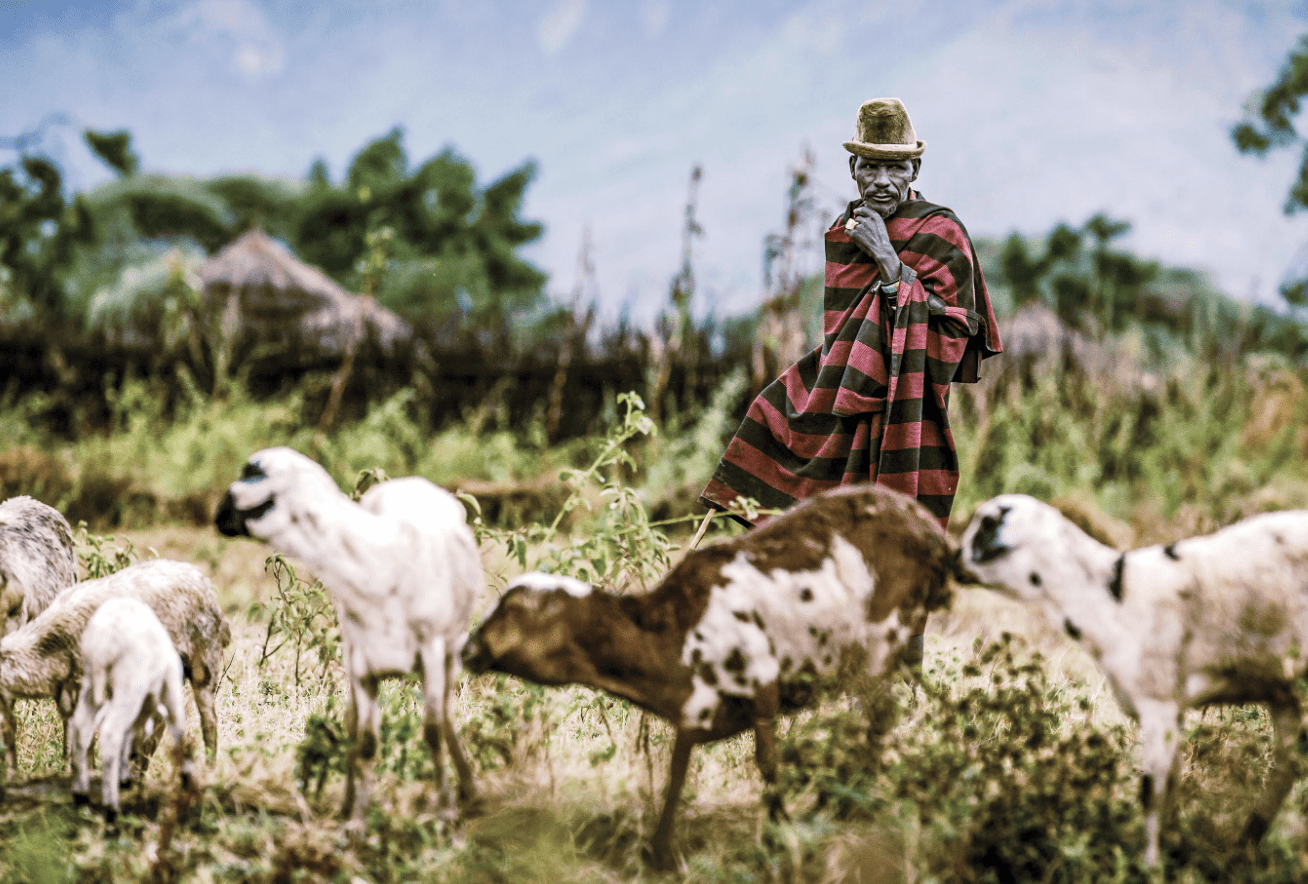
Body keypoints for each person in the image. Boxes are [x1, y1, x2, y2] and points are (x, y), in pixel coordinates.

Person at [696, 97, 1003, 665]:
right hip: (847, 397)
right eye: (870, 166)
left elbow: (959, 330)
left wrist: (890, 263)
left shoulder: (941, 232)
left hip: (909, 413)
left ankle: (902, 666)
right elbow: (844, 329)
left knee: (899, 533)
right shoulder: (846, 230)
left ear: (915, 172)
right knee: (775, 429)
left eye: (895, 167)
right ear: (853, 170)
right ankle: (808, 650)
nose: (882, 180)